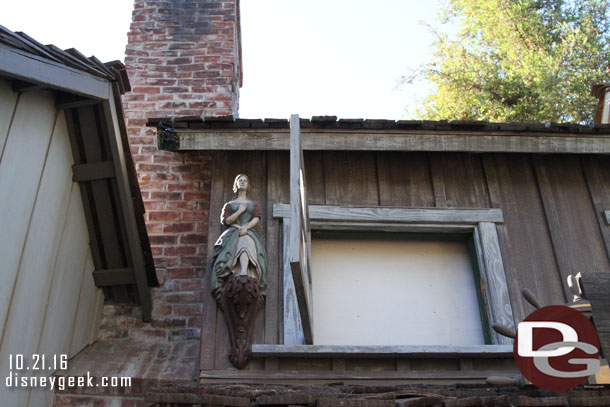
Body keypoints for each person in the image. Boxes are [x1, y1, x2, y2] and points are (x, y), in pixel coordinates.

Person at [210, 174, 267, 303]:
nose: (242, 182)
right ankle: (234, 272)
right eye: (239, 181)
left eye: (245, 181)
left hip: (248, 232)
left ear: (248, 185)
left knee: (246, 241)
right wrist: (240, 211)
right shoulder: (230, 205)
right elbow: (226, 220)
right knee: (234, 247)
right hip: (233, 232)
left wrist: (246, 228)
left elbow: (256, 218)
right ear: (236, 185)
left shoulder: (252, 205)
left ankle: (245, 271)